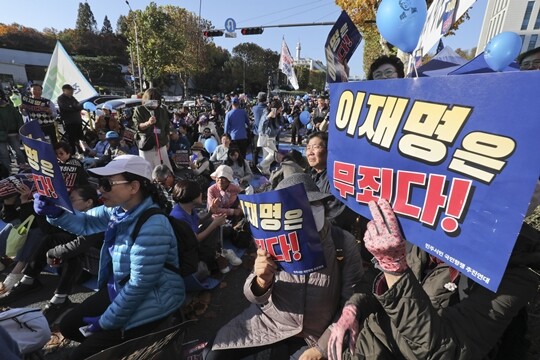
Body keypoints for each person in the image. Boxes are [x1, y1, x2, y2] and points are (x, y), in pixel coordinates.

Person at [328, 198, 540, 360]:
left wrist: (395, 270)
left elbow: (444, 350)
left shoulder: (514, 273)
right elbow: (377, 276)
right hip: (365, 347)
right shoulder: (425, 231)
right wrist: (353, 308)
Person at [33, 154, 185, 359]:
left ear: (133, 187)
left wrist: (106, 322)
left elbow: (140, 286)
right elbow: (85, 222)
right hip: (122, 288)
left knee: (79, 355)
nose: (100, 190)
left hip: (153, 299)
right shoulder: (118, 211)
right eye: (100, 183)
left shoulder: (153, 225)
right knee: (69, 326)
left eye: (107, 184)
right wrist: (55, 212)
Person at [206, 173, 363, 359]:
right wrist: (261, 281)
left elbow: (351, 300)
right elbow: (252, 296)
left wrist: (321, 348)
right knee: (214, 355)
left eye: (311, 205)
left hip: (316, 334)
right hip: (269, 323)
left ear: (323, 206)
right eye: (293, 208)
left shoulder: (343, 242)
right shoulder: (272, 237)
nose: (304, 213)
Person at [0, 185, 103, 325]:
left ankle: (60, 299)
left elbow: (78, 244)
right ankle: (29, 280)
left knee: (70, 248)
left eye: (72, 199)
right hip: (75, 267)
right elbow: (48, 231)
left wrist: (52, 253)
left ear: (89, 202)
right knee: (52, 240)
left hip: (96, 265)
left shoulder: (99, 215)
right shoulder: (76, 215)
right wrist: (38, 209)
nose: (68, 203)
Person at [170, 180, 239, 275]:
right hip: (189, 250)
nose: (201, 194)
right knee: (213, 224)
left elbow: (197, 221)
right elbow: (195, 239)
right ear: (191, 197)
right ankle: (214, 257)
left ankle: (218, 253)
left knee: (212, 221)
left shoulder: (186, 207)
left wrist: (210, 212)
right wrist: (214, 224)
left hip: (192, 242)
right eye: (199, 193)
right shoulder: (179, 216)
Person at [306, 132, 366, 238]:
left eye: (315, 147)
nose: (310, 152)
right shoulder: (311, 175)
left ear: (329, 150)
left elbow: (336, 218)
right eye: (308, 148)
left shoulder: (338, 178)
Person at [132, 88, 173, 171]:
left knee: (164, 169)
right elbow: (137, 126)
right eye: (151, 101)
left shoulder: (162, 111)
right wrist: (148, 123)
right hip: (146, 144)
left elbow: (166, 126)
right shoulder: (139, 110)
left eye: (157, 101)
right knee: (148, 169)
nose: (154, 104)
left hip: (161, 144)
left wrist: (167, 140)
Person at [0, 88, 26, 174]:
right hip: (1, 136)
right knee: (4, 155)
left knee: (18, 152)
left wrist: (20, 131)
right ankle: (9, 172)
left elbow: (19, 119)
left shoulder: (10, 108)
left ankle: (23, 169)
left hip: (13, 133)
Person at [257, 99, 283, 176]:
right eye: (279, 108)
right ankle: (261, 166)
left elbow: (279, 125)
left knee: (267, 157)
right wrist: (268, 117)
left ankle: (266, 172)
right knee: (274, 154)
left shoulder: (278, 115)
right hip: (265, 137)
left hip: (272, 137)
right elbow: (261, 126)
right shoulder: (266, 112)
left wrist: (280, 116)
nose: (280, 110)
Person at [57, 84, 85, 154]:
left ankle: (83, 151)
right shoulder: (61, 98)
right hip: (69, 121)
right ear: (64, 90)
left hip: (77, 120)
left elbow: (79, 106)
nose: (71, 91)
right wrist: (74, 107)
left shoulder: (72, 98)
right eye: (69, 90)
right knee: (71, 139)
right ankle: (72, 153)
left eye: (72, 90)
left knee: (80, 137)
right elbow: (66, 108)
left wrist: (74, 107)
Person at [251, 92, 267, 166]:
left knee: (255, 151)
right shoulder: (268, 108)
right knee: (266, 151)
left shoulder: (255, 108)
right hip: (266, 133)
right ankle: (265, 166)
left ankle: (254, 166)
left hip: (257, 132)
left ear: (259, 99)